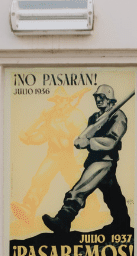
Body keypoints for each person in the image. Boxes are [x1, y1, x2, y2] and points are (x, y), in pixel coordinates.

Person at [42, 85, 131, 234]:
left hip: (105, 161)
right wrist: (81, 140)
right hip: (93, 161)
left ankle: (63, 219)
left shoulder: (118, 116)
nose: (98, 100)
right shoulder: (94, 117)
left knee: (79, 189)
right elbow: (86, 135)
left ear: (110, 99)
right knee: (112, 195)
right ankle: (122, 223)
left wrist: (89, 142)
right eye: (97, 97)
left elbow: (111, 141)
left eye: (102, 97)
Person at [11, 86, 90, 224]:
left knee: (77, 183)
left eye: (61, 99)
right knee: (39, 179)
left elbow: (85, 136)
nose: (58, 102)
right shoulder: (51, 117)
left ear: (67, 100)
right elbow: (42, 135)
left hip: (68, 157)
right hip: (53, 155)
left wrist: (81, 157)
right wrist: (30, 136)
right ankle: (28, 208)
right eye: (56, 100)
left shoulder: (75, 115)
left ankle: (91, 208)